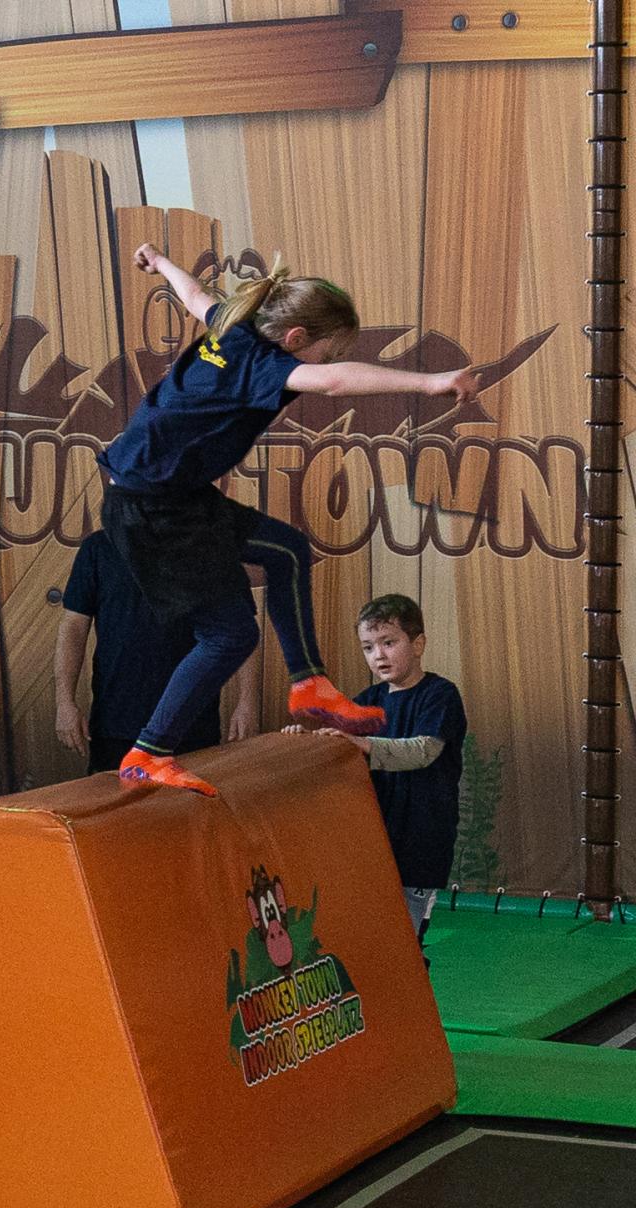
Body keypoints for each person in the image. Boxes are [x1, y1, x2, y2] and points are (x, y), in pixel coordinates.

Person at [101, 245, 482, 795]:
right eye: (325, 352)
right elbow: (333, 382)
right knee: (229, 635)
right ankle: (148, 753)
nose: (324, 363)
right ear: (296, 337)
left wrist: (160, 263)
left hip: (170, 497)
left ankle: (309, 684)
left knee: (286, 551)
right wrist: (431, 382)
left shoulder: (232, 327)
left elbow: (195, 295)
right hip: (152, 512)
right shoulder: (261, 361)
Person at [55, 536, 255, 773]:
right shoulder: (98, 549)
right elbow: (74, 627)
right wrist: (64, 702)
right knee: (115, 797)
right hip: (115, 724)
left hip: (192, 724)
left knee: (191, 798)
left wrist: (247, 702)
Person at [332, 594, 467, 938]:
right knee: (373, 931)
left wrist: (364, 744)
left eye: (388, 643)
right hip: (377, 836)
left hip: (422, 838)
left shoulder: (440, 694)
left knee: (406, 934)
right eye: (368, 647)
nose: (378, 655)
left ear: (418, 644)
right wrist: (305, 737)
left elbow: (424, 750)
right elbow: (335, 740)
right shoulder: (367, 701)